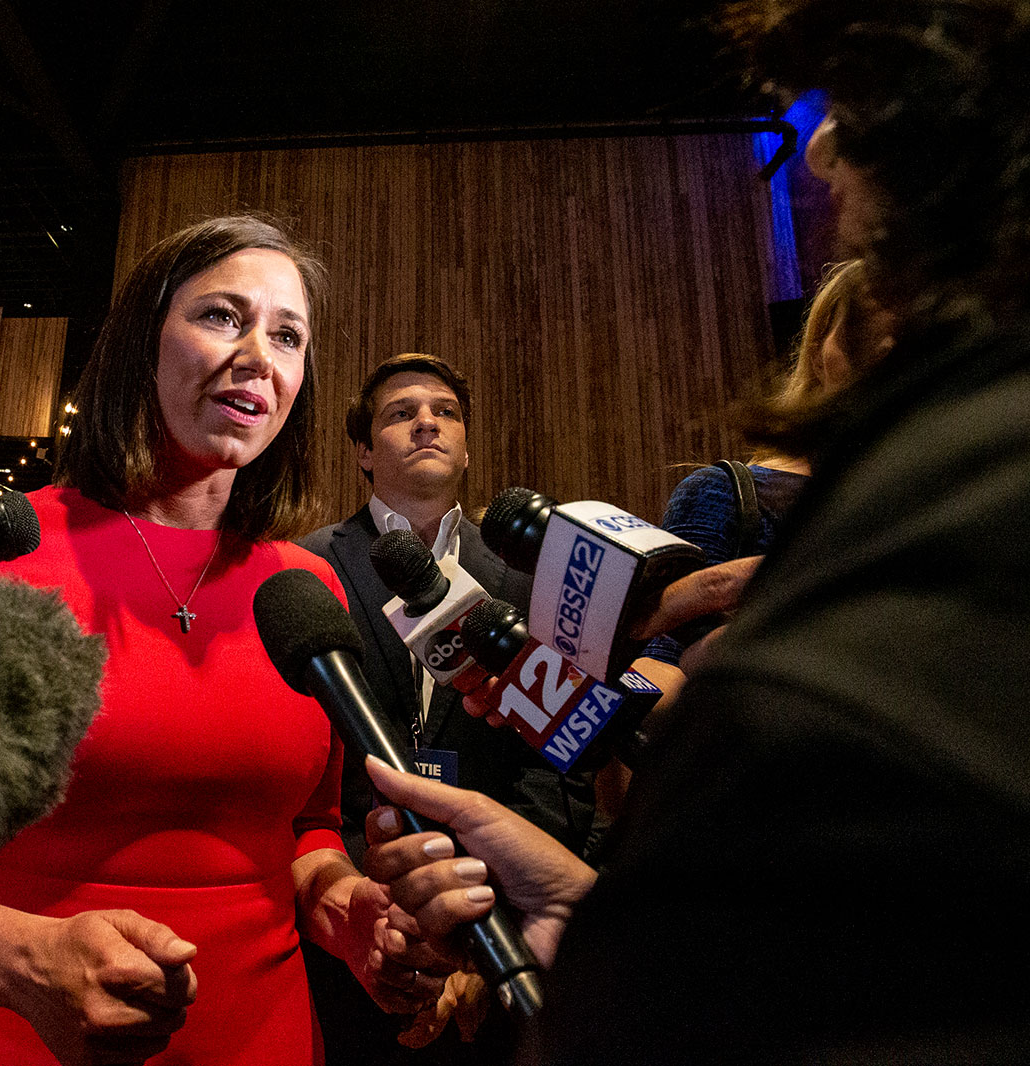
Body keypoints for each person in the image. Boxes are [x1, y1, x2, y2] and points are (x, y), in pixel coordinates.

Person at [363, 0, 1030, 1060]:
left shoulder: (942, 534)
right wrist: (596, 909)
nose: (815, 147)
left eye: (860, 91)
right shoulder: (315, 570)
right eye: (403, 412)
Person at [0, 216, 437, 1066]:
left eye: (287, 335)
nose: (259, 352)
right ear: (143, 340)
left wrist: (345, 907)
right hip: (4, 1039)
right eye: (223, 316)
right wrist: (19, 962)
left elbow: (309, 828)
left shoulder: (304, 587)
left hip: (266, 1040)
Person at [298, 353, 601, 1061]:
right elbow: (300, 771)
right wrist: (372, 913)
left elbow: (556, 767)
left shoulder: (532, 581)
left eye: (446, 413)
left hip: (501, 934)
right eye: (401, 414)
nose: (427, 422)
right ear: (365, 453)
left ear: (465, 445)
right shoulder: (305, 569)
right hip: (357, 930)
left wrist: (479, 923)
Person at [632, 258, 890, 698]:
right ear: (818, 350)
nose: (885, 349)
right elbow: (660, 671)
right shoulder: (726, 495)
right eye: (860, 328)